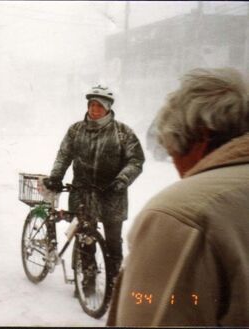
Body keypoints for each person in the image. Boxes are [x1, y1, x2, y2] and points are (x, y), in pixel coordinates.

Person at [107, 68, 249, 326]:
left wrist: (122, 179)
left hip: (112, 200)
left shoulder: (179, 215)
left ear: (200, 138)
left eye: (174, 155)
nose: (180, 172)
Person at [44, 85, 145, 296]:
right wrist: (56, 176)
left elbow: (136, 160)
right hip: (82, 192)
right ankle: (87, 281)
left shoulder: (123, 132)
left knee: (113, 241)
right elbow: (64, 155)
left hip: (112, 193)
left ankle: (115, 282)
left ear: (108, 108)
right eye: (91, 104)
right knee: (85, 239)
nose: (94, 109)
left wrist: (122, 180)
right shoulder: (76, 130)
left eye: (99, 106)